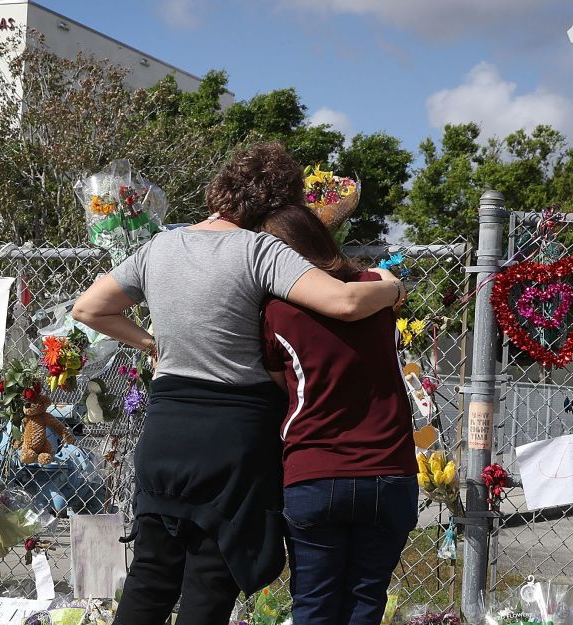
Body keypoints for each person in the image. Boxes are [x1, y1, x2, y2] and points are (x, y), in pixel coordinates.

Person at [71, 142, 407, 625]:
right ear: (279, 204)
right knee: (210, 577)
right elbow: (345, 303)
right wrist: (393, 287)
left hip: (165, 430)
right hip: (232, 438)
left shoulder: (159, 247)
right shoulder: (259, 250)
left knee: (150, 574)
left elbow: (88, 309)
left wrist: (149, 343)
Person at [258, 205, 419, 625]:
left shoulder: (276, 310)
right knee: (366, 601)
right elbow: (387, 285)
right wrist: (388, 283)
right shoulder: (377, 290)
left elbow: (284, 384)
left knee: (313, 603)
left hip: (315, 470)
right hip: (388, 470)